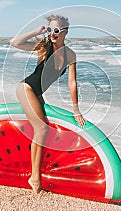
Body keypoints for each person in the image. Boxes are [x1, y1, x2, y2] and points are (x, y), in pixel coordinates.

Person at [9, 15, 85, 193]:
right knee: (42, 129)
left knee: (45, 128)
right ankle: (34, 177)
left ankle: (38, 170)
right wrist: (37, 31)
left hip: (37, 93)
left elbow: (72, 83)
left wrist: (76, 110)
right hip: (26, 88)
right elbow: (14, 42)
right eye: (50, 30)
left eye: (56, 30)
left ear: (65, 32)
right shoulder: (44, 46)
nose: (52, 34)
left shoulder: (70, 55)